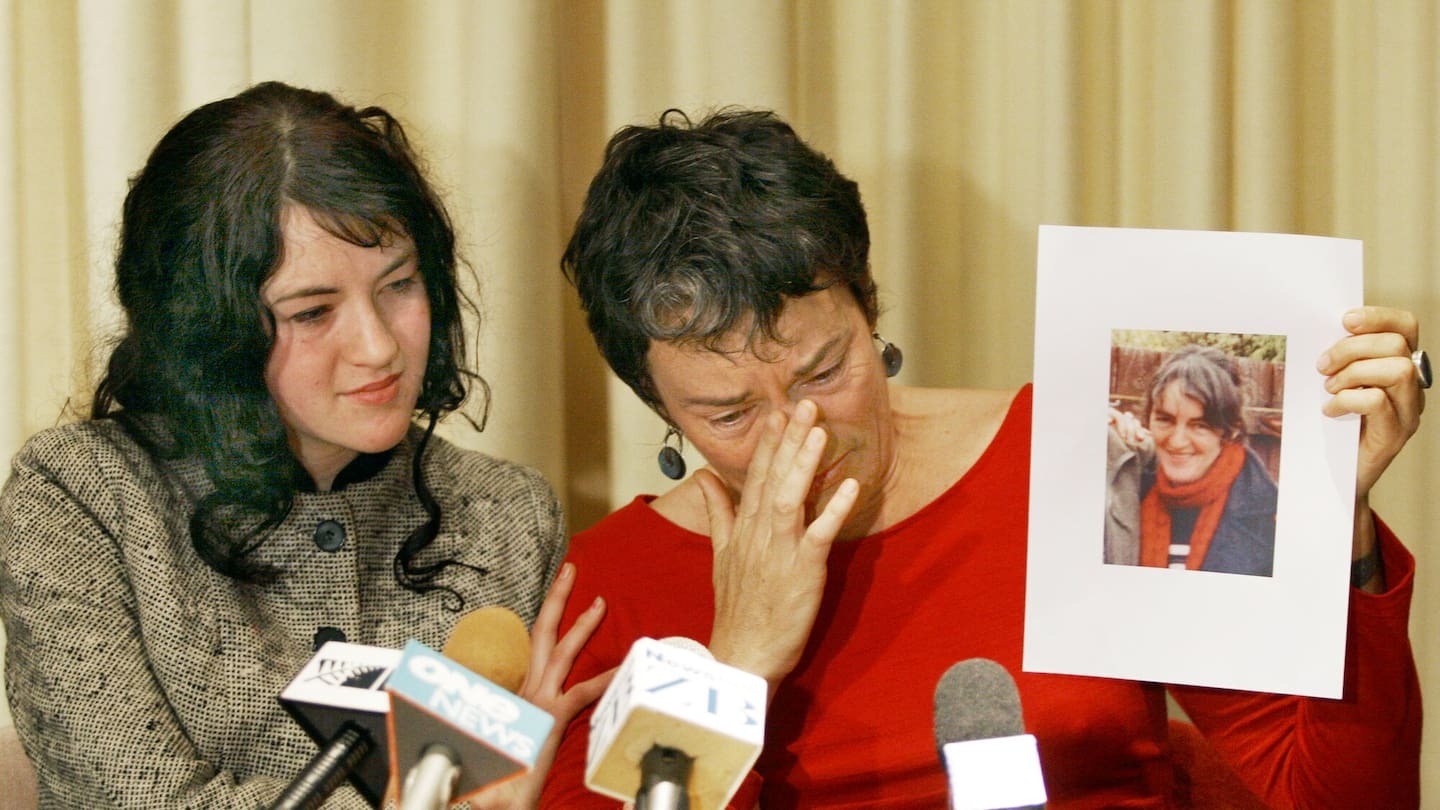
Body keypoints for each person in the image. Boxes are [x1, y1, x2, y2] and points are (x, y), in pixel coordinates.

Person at [538, 108, 1424, 807]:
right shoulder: (612, 589)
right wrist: (736, 667)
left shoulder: (1076, 460)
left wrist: (1333, 533)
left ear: (869, 310)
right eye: (729, 413)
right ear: (660, 409)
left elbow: (1341, 798)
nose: (801, 436)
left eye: (826, 369)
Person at [0, 82, 607, 808]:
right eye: (314, 312)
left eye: (400, 285)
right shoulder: (80, 495)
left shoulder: (506, 514)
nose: (379, 347)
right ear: (207, 329)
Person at [1133, 345, 1278, 576]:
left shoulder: (1274, 518)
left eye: (1200, 425)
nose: (1177, 441)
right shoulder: (1126, 495)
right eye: (1165, 420)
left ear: (1230, 430)